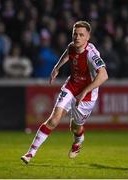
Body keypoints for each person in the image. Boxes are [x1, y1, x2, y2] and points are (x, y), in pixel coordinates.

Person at [21, 21, 108, 164]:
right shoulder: (72, 46)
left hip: (87, 95)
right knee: (54, 119)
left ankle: (78, 140)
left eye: (81, 35)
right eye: (75, 34)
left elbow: (104, 75)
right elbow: (68, 52)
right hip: (71, 86)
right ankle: (30, 153)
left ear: (88, 37)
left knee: (75, 126)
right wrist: (57, 67)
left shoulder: (91, 54)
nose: (77, 37)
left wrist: (84, 91)